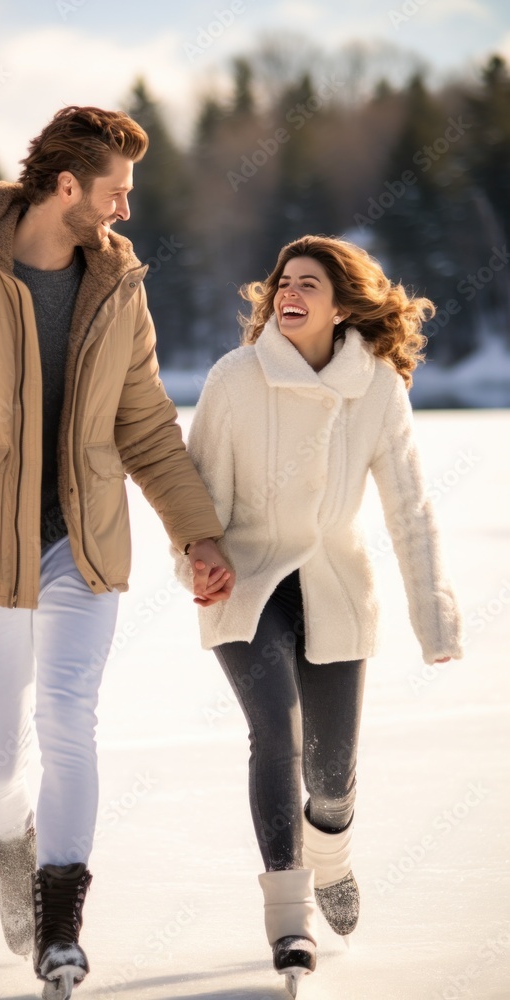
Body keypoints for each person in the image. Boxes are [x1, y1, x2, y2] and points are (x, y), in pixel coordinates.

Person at [0, 105, 235, 1000]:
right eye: (116, 192)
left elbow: (142, 422)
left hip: (82, 545)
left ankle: (60, 926)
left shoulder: (117, 287)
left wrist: (196, 531)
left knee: (69, 721)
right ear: (67, 188)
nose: (125, 211)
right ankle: (10, 846)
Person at [173, 235, 463, 996]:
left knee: (330, 779)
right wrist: (197, 560)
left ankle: (330, 847)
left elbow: (408, 509)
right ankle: (287, 919)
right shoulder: (235, 380)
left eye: (309, 283)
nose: (288, 292)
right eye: (282, 282)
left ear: (341, 307)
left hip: (335, 586)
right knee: (275, 731)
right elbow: (193, 493)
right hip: (248, 581)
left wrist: (432, 618)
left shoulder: (374, 388)